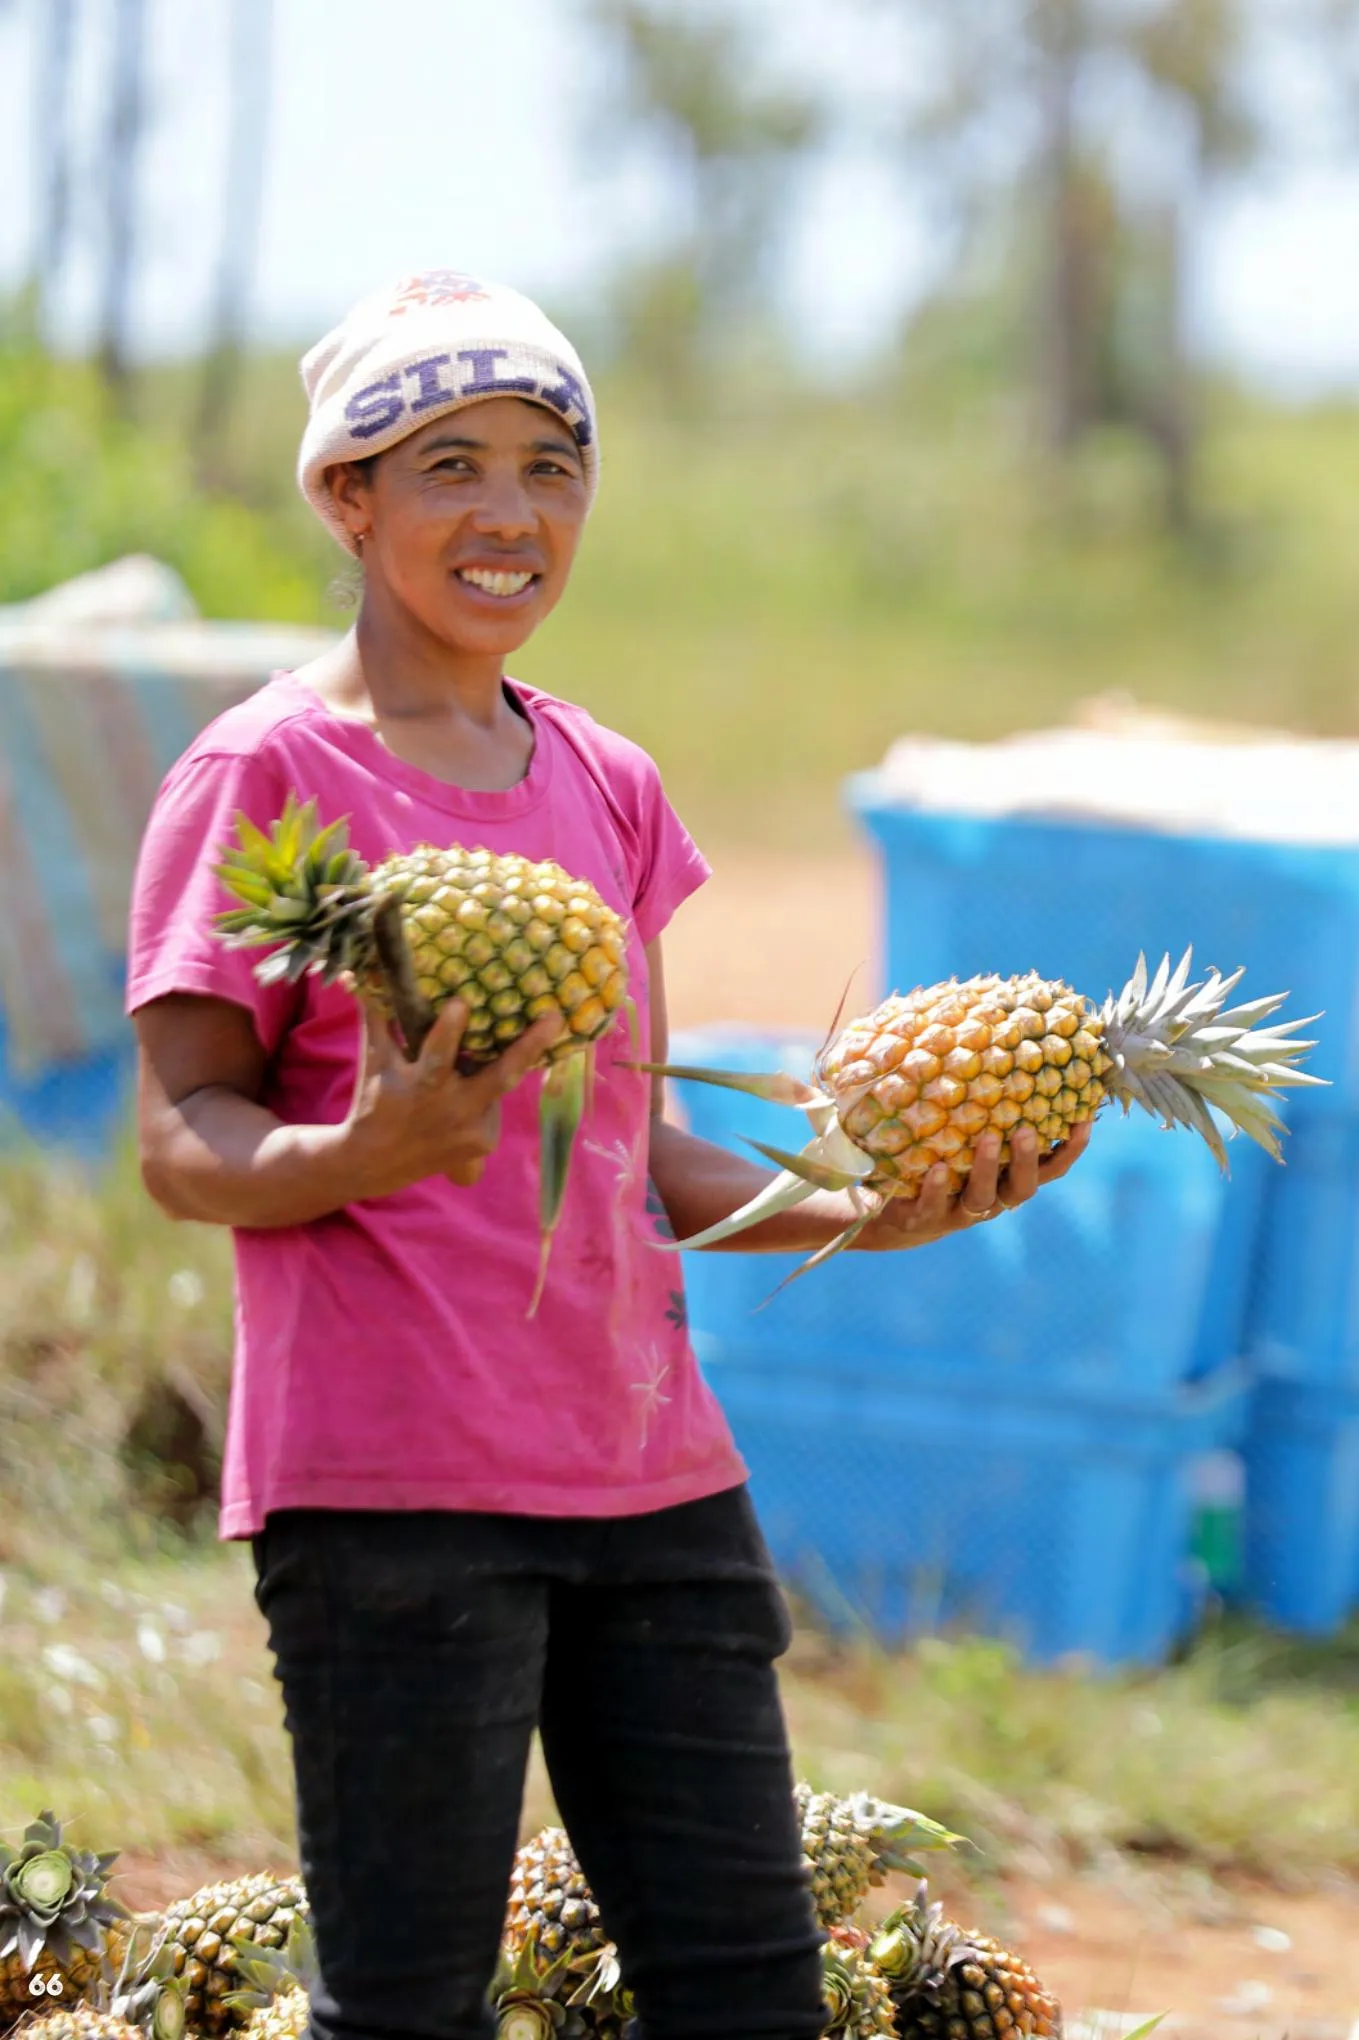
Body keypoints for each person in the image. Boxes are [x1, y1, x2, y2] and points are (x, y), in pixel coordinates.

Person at [127, 271, 1090, 2040]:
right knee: (406, 2003)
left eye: (550, 466)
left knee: (744, 1993)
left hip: (651, 1477)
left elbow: (636, 1152)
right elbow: (182, 1141)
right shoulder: (260, 772)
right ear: (347, 497)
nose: (509, 513)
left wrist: (872, 1215)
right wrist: (374, 1140)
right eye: (448, 466)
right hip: (390, 1494)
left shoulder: (609, 781)